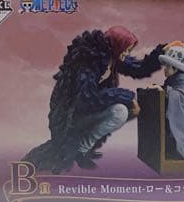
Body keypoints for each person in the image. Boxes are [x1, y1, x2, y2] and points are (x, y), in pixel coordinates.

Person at [22, 27, 168, 173]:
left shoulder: (113, 57)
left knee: (120, 111)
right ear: (116, 46)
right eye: (125, 50)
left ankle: (82, 150)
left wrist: (161, 51)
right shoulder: (88, 61)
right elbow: (87, 97)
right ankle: (77, 150)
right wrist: (127, 97)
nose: (126, 54)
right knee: (61, 158)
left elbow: (139, 68)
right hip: (70, 117)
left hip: (88, 110)